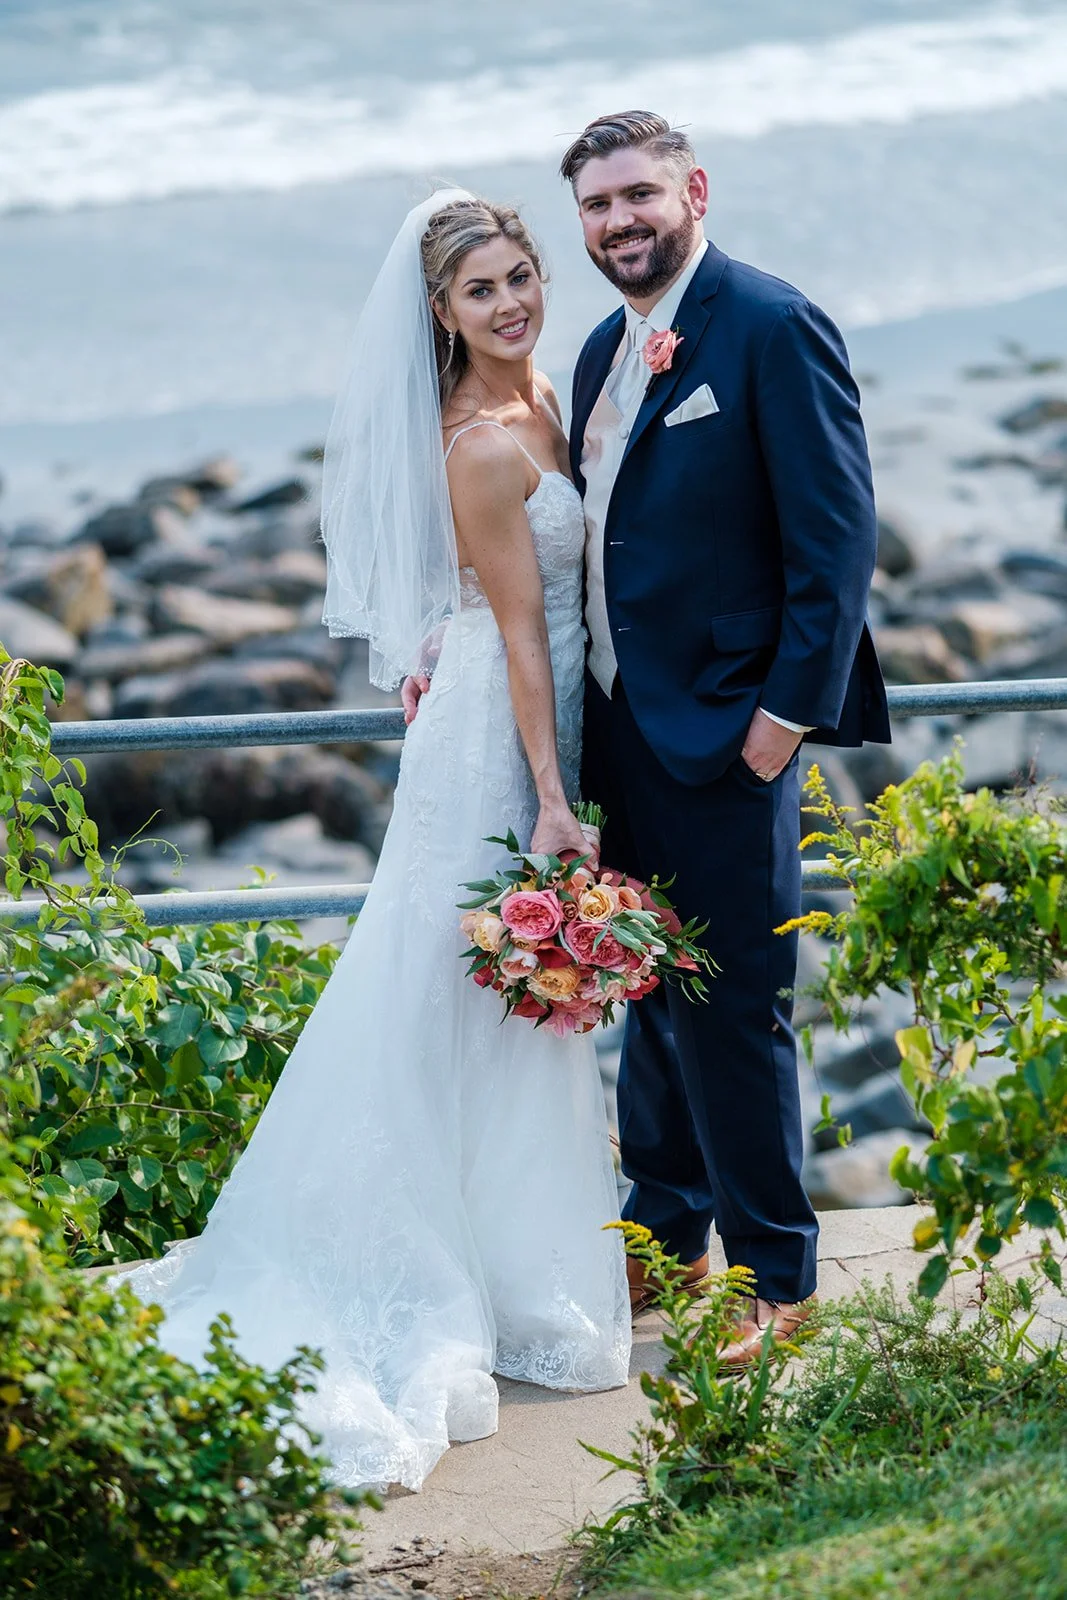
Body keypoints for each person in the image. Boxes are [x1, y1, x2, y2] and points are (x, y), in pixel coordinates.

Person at [122, 190, 630, 1493]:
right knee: (441, 997)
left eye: (521, 275)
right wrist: (552, 797)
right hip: (497, 743)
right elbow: (517, 633)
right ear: (441, 317)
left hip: (533, 717)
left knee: (503, 1017)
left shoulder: (552, 397)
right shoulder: (474, 442)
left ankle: (519, 1271)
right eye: (481, 292)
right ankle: (428, 1276)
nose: (511, 301)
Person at [561, 111, 891, 1363]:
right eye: (595, 206)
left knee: (733, 1006)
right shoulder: (603, 348)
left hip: (728, 734)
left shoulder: (768, 322)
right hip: (623, 736)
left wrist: (779, 719)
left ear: (692, 189)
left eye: (637, 195)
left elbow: (835, 539)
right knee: (649, 993)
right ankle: (664, 1243)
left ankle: (778, 1275)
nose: (617, 222)